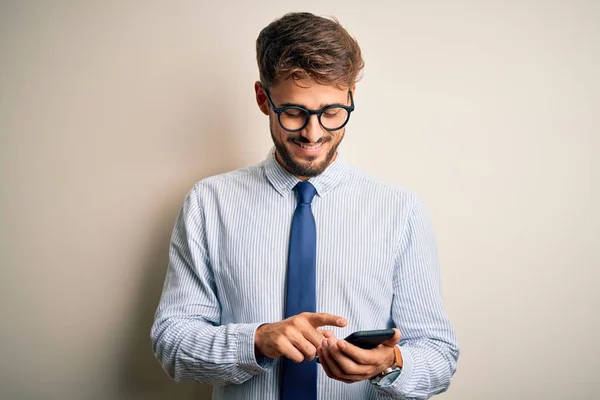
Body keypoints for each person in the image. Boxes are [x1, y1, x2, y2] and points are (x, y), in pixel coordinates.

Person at [151, 11, 459, 400]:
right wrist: (258, 340)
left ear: (350, 98)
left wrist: (391, 362)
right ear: (264, 99)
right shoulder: (209, 204)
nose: (313, 134)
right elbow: (171, 341)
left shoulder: (400, 211)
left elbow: (439, 356)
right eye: (294, 112)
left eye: (331, 113)